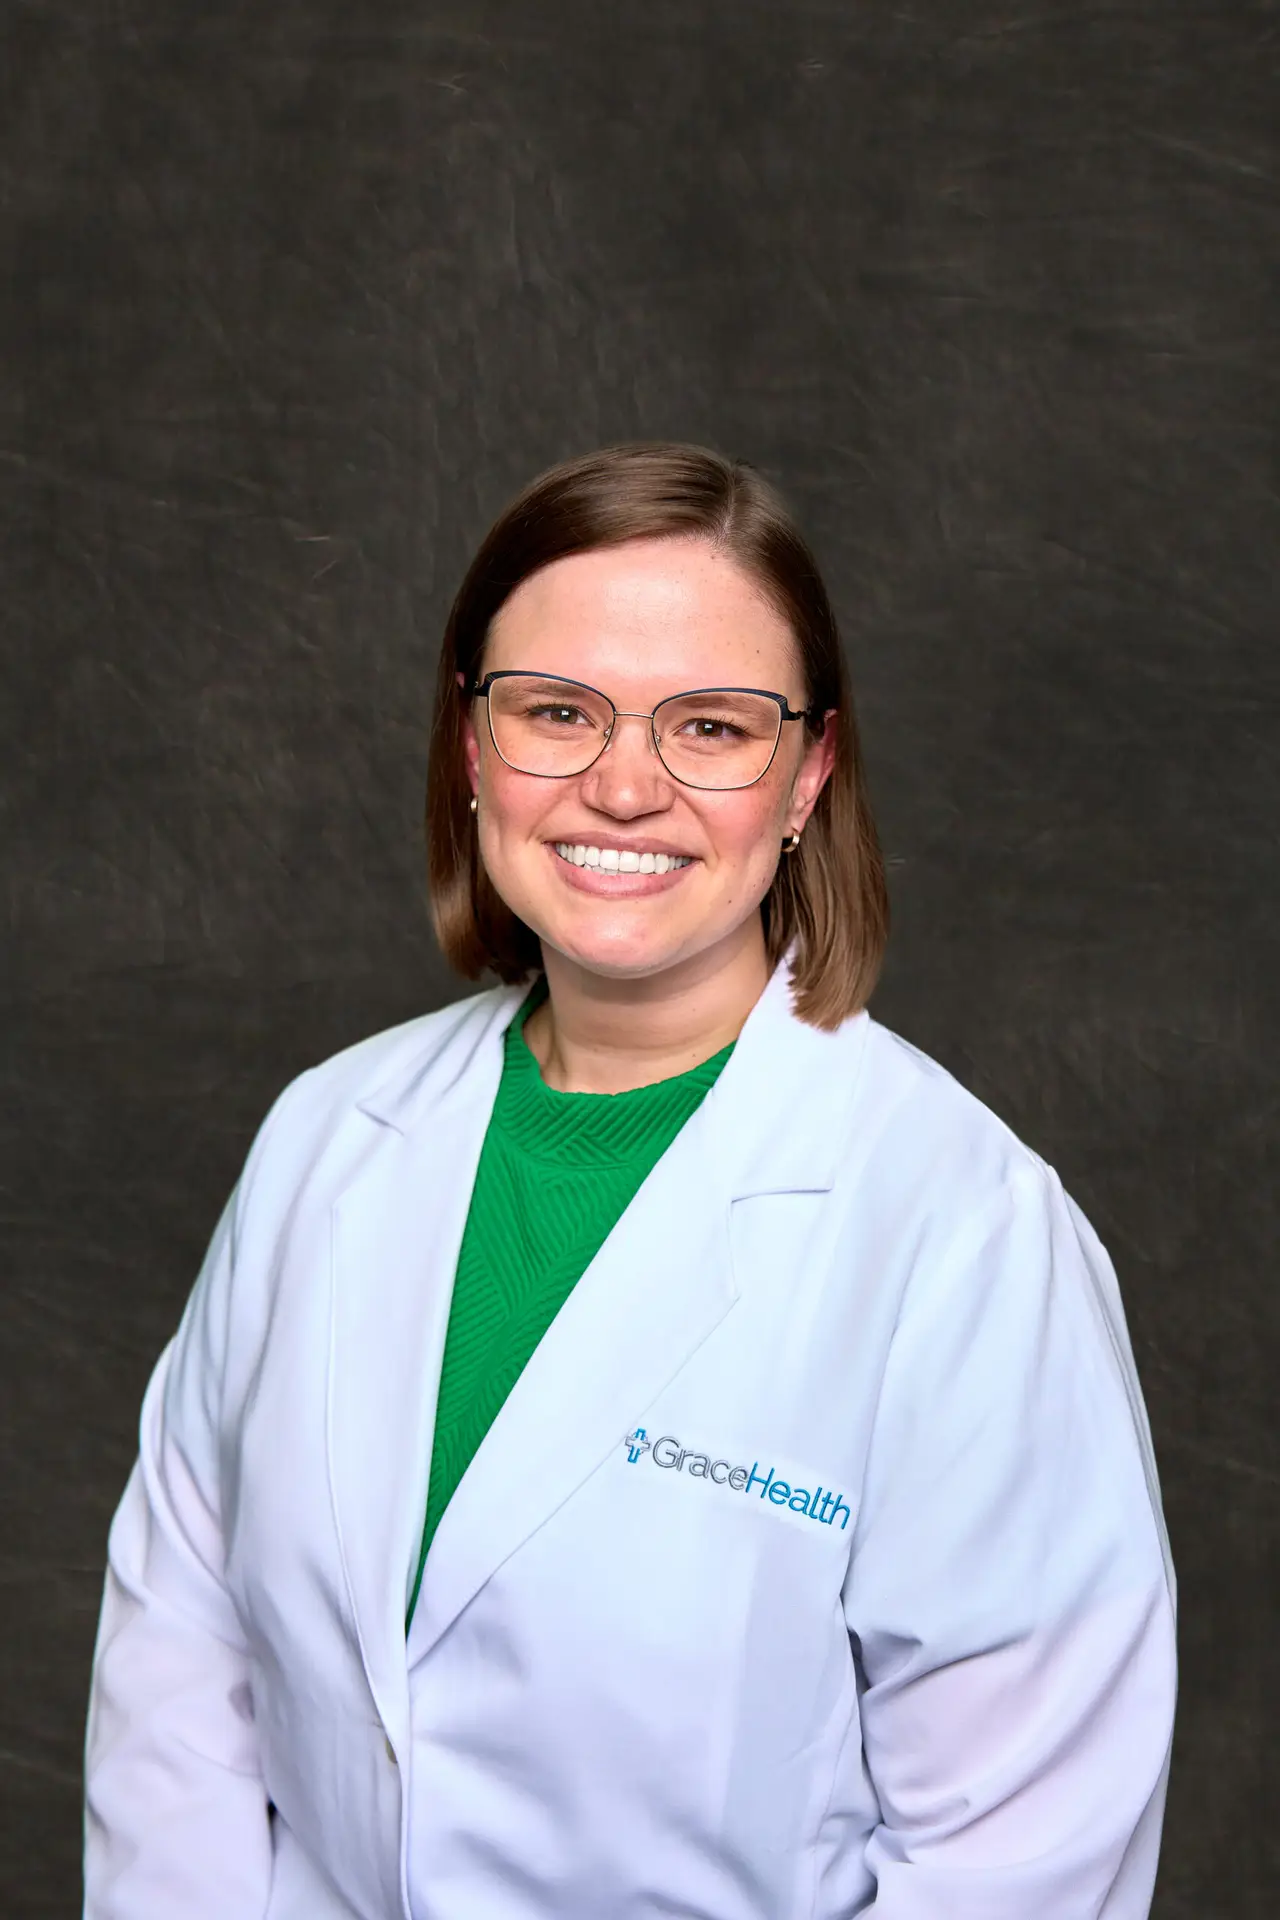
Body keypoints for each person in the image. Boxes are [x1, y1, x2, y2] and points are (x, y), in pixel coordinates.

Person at [83, 443, 1177, 1920]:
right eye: (556, 712)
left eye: (711, 727)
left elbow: (1021, 1852)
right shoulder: (326, 1139)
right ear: (474, 749)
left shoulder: (965, 1233)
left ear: (806, 778)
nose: (622, 784)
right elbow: (180, 1663)